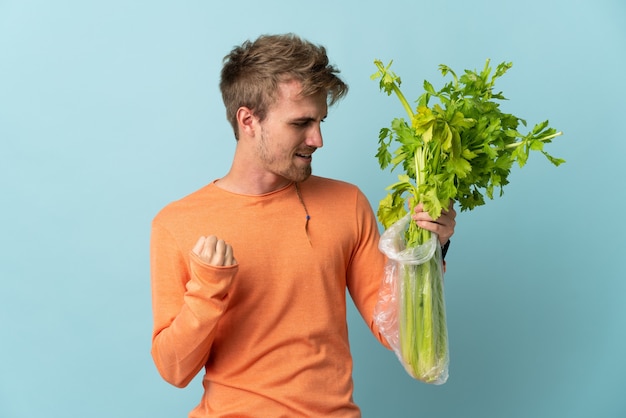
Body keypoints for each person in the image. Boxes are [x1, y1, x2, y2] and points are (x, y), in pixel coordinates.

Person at [150, 33, 456, 417]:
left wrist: (429, 250)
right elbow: (174, 369)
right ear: (249, 121)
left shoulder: (347, 203)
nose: (318, 139)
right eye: (301, 123)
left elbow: (394, 329)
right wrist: (208, 291)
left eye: (320, 120)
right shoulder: (177, 223)